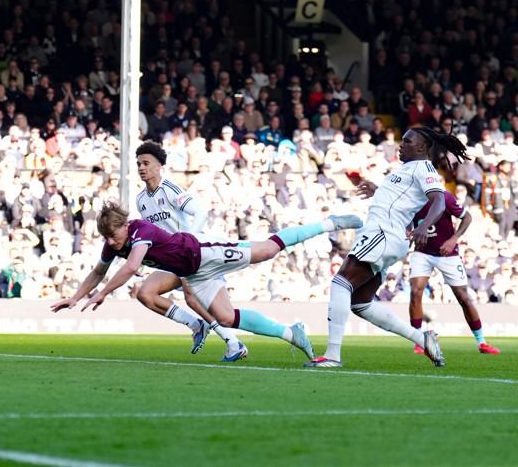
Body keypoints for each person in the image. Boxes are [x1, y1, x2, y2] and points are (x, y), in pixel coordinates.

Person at [51, 202, 366, 361]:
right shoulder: (114, 241)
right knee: (226, 317)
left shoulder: (140, 230)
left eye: (114, 236)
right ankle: (292, 334)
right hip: (191, 273)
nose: (112, 243)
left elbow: (133, 266)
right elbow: (97, 271)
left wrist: (103, 294)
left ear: (123, 225)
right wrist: (77, 297)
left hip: (202, 252)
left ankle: (329, 223)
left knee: (268, 250)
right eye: (108, 239)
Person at [305, 127, 471, 368]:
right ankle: (422, 339)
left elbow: (438, 201)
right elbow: (399, 200)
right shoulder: (406, 168)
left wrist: (424, 226)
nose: (400, 146)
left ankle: (332, 356)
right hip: (384, 235)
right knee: (360, 303)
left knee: (341, 283)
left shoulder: (424, 168)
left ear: (422, 147)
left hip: (382, 233)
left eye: (407, 141)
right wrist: (377, 190)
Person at [133, 140, 246, 362]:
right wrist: (140, 262)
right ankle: (197, 325)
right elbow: (150, 236)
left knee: (194, 300)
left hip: (191, 253)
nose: (141, 168)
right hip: (170, 259)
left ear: (159, 166)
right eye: (138, 164)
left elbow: (201, 213)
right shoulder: (141, 200)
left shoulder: (171, 189)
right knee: (145, 294)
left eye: (146, 163)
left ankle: (234, 343)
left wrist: (189, 239)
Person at [404, 190, 499, 355]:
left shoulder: (445, 197)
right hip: (422, 252)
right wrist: (408, 231)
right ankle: (418, 342)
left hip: (447, 253)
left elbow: (467, 217)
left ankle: (481, 342)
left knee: (463, 297)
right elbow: (409, 221)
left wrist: (453, 239)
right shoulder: (412, 198)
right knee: (415, 292)